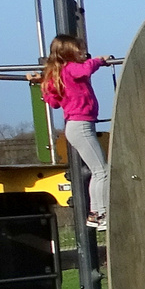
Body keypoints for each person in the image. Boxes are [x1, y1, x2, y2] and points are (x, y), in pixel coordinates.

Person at [38, 34, 113, 229]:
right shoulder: (71, 69)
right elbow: (86, 69)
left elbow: (53, 102)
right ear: (69, 52)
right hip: (80, 125)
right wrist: (99, 60)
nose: (83, 53)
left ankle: (96, 213)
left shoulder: (57, 73)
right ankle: (101, 213)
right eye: (79, 49)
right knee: (102, 171)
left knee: (98, 171)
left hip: (76, 125)